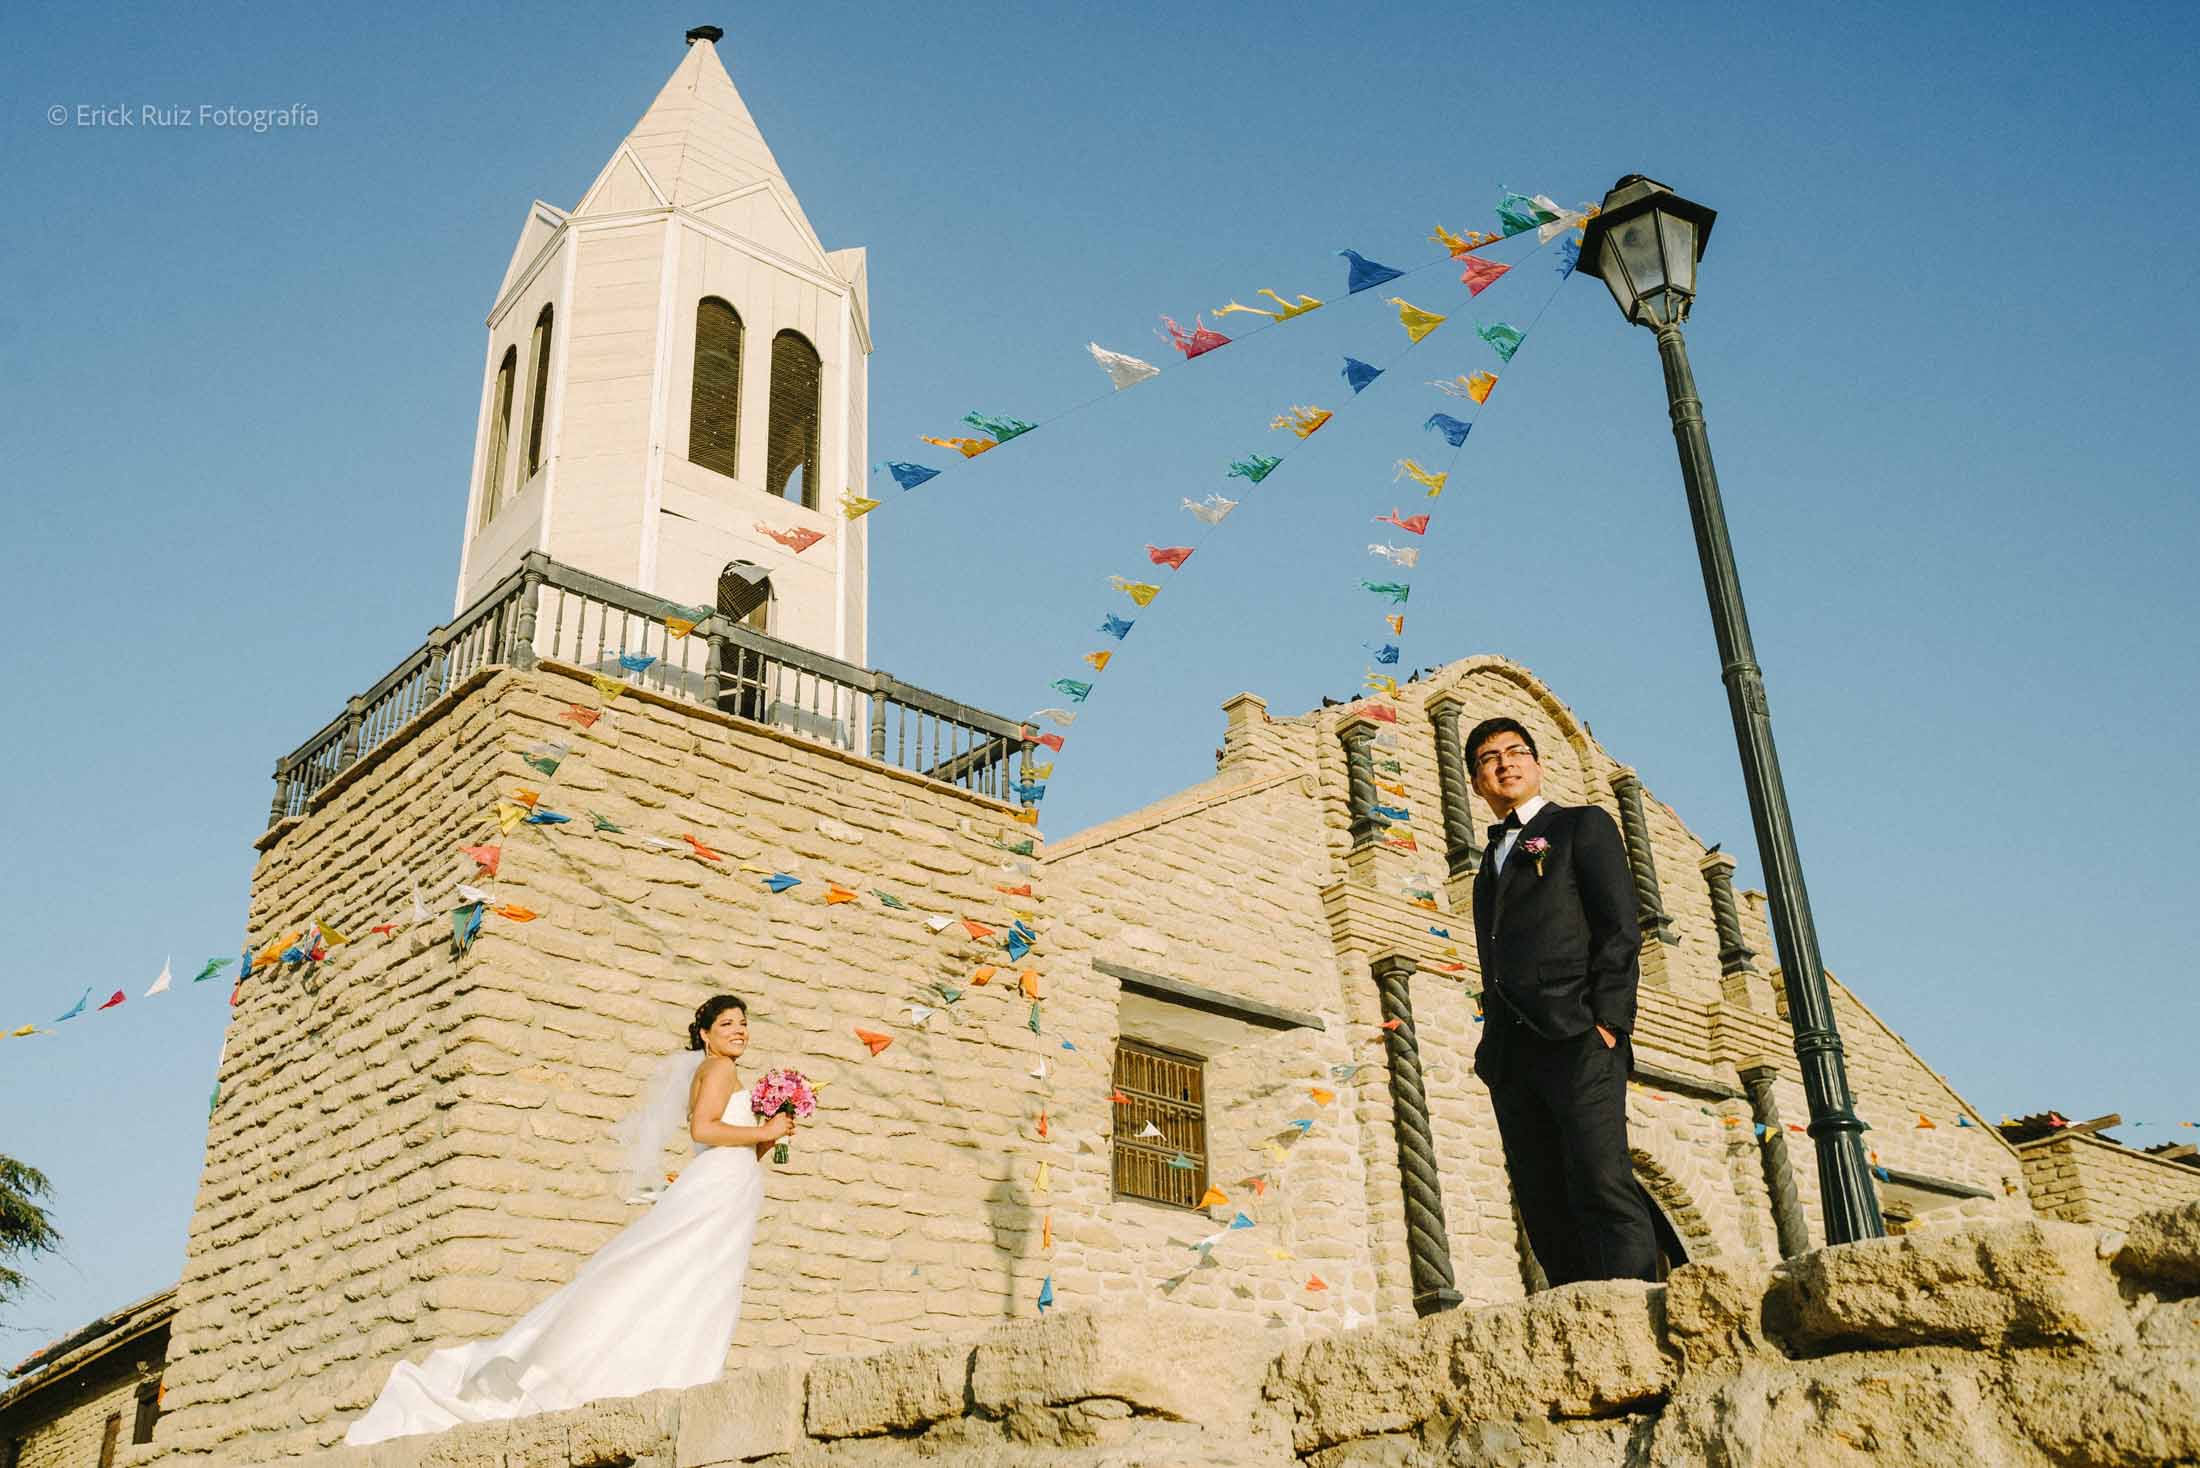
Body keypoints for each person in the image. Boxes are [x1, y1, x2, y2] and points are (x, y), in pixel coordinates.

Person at [344, 994, 792, 1444]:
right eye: (728, 1023)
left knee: (697, 1276)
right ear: (706, 1034)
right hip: (716, 1187)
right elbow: (703, 1129)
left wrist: (770, 1136)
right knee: (689, 1276)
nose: (739, 1030)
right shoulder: (718, 1068)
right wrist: (763, 1129)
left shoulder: (719, 1071)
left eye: (743, 1023)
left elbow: (730, 1146)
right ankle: (675, 1374)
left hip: (728, 1184)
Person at [1465, 717, 1658, 1286]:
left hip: (1577, 1033)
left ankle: (1636, 1306)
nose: (1504, 763)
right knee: (1541, 1198)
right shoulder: (1487, 864)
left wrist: (1608, 1021)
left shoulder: (1580, 826)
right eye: (1489, 758)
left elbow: (1619, 928)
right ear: (1476, 781)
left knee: (1601, 1179)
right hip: (1511, 1053)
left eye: (1515, 751)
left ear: (1537, 763)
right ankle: (1575, 1311)